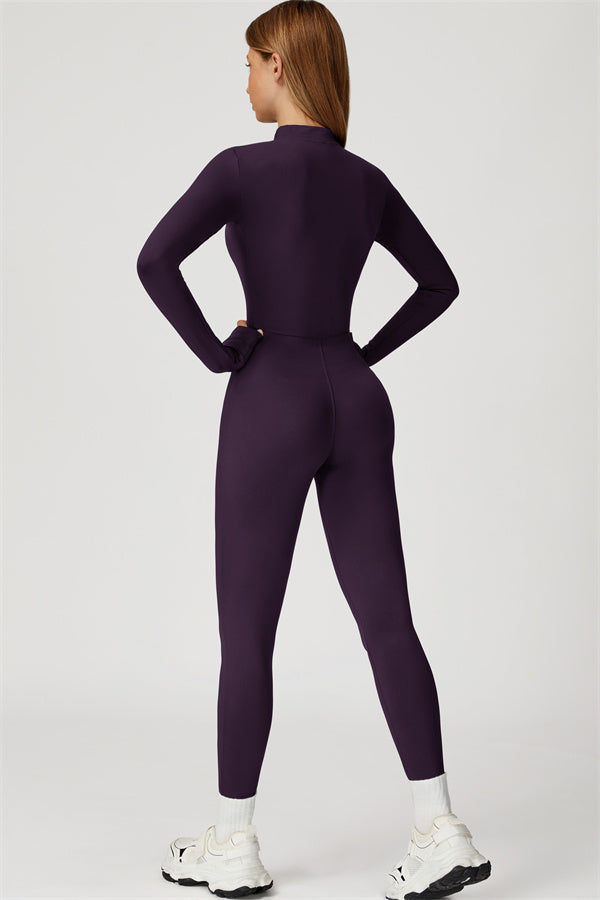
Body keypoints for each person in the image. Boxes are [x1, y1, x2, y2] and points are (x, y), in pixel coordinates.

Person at [136, 2, 492, 897]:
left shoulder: (240, 168)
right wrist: (362, 353)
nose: (245, 81)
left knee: (248, 634)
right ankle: (442, 826)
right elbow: (440, 284)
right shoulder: (366, 181)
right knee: (388, 621)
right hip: (357, 399)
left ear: (283, 67)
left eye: (251, 62)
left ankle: (234, 844)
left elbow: (153, 261)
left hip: (271, 397)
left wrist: (218, 353)